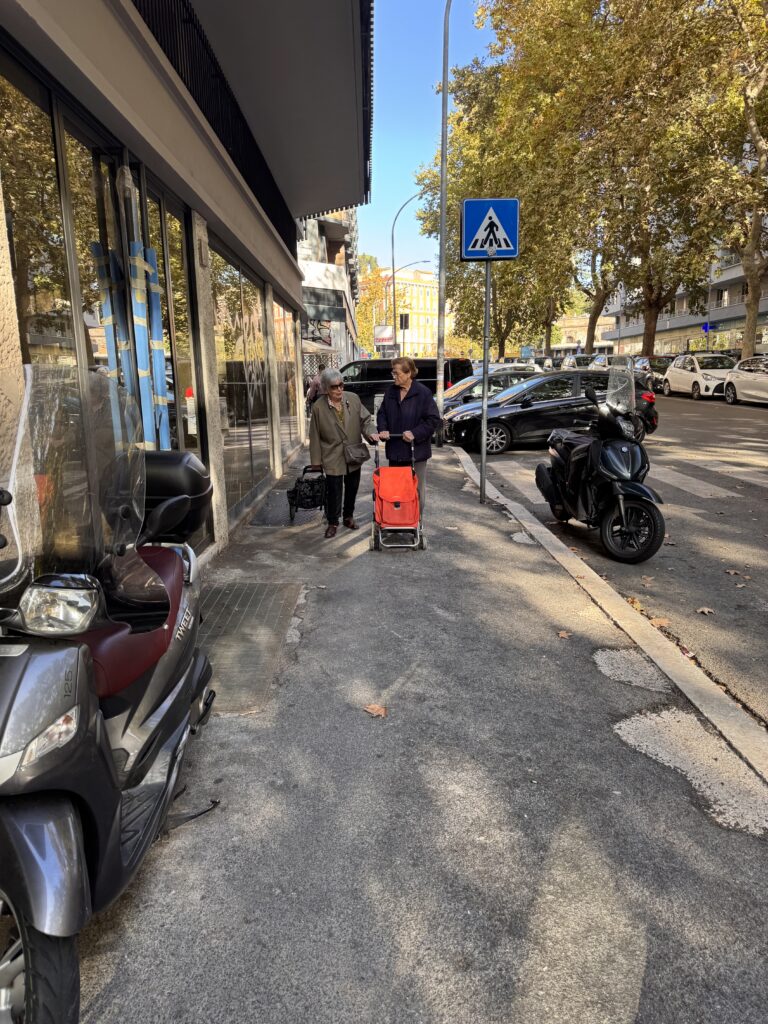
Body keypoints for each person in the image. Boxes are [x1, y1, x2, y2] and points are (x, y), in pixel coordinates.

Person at [309, 367, 378, 538]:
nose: (339, 389)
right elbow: (315, 435)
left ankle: (348, 516)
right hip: (332, 454)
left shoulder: (353, 399)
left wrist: (371, 433)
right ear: (326, 388)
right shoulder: (318, 407)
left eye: (341, 385)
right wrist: (316, 461)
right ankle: (333, 522)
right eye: (334, 387)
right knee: (333, 490)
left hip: (353, 452)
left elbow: (365, 420)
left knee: (352, 487)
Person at [377, 357, 441, 512]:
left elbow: (433, 420)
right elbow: (382, 414)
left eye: (397, 373)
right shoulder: (391, 391)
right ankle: (398, 521)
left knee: (415, 491)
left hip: (416, 452)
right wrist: (383, 429)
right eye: (393, 373)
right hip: (395, 451)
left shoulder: (423, 393)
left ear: (409, 373)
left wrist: (415, 433)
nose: (394, 376)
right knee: (396, 492)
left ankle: (416, 521)